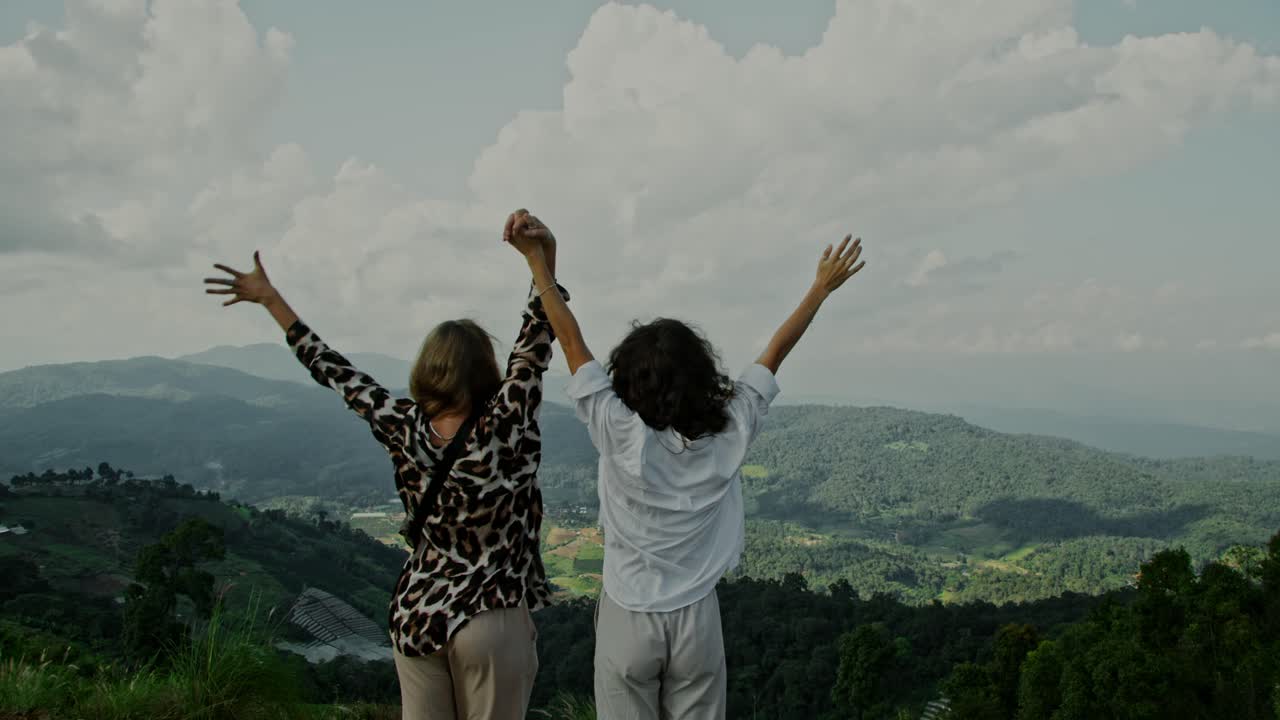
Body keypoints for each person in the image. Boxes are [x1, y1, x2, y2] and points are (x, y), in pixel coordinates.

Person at [502, 211, 867, 720]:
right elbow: (775, 352)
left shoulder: (618, 429)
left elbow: (569, 341)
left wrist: (539, 262)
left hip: (629, 614)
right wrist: (820, 289)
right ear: (702, 374)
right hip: (696, 617)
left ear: (627, 380)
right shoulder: (731, 429)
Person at [204, 213, 568, 720]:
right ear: (486, 371)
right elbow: (535, 339)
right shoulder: (505, 423)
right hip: (490, 613)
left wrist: (271, 300)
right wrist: (541, 258)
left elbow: (333, 370)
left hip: (417, 612)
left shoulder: (401, 424)